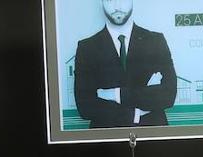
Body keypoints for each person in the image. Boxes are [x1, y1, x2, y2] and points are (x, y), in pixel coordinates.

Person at [74, 0, 177, 128]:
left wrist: (115, 94)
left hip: (154, 136)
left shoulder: (156, 41)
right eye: (110, 0)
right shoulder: (87, 48)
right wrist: (137, 112)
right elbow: (85, 107)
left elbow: (168, 94)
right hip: (106, 141)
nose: (117, 6)